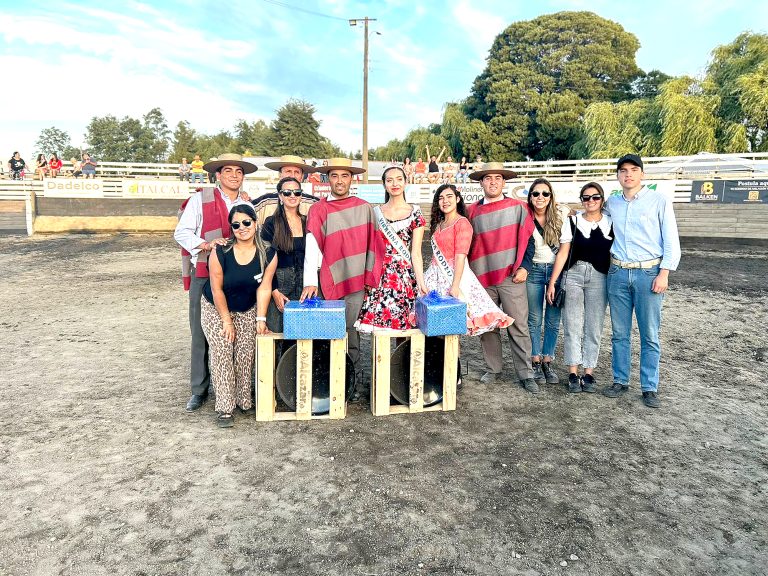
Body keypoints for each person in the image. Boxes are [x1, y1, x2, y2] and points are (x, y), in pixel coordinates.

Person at [174, 153, 257, 412]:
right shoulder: (200, 199)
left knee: (240, 334)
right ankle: (199, 389)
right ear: (218, 175)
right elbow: (181, 232)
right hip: (205, 273)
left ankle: (239, 390)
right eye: (228, 170)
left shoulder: (248, 203)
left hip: (239, 276)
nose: (234, 175)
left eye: (238, 171)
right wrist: (207, 245)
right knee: (201, 334)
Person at [300, 157, 383, 399]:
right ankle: (329, 382)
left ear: (352, 179)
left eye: (344, 176)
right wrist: (310, 282)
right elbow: (312, 246)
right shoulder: (319, 210)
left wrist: (370, 277)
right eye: (334, 176)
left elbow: (374, 245)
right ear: (328, 179)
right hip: (330, 279)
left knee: (351, 330)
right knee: (329, 330)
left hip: (356, 279)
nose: (339, 181)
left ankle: (353, 381)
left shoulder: (365, 208)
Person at [603, 154, 680, 408]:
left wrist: (665, 272)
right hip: (618, 273)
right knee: (619, 333)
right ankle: (620, 380)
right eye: (623, 170)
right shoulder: (611, 204)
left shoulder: (658, 201)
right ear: (618, 175)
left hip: (648, 274)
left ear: (642, 174)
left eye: (634, 170)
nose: (628, 174)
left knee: (649, 334)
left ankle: (649, 386)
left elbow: (671, 240)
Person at [466, 162, 538, 393]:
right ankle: (493, 368)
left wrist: (525, 266)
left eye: (498, 178)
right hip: (481, 277)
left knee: (518, 324)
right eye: (488, 178)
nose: (493, 182)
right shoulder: (471, 211)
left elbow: (530, 241)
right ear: (481, 182)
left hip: (511, 276)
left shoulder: (518, 208)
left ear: (504, 182)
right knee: (488, 326)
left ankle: (526, 373)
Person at [201, 203, 274, 428]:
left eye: (246, 222)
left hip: (248, 307)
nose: (241, 228)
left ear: (255, 222)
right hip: (217, 307)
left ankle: (244, 399)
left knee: (245, 353)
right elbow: (216, 288)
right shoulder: (220, 251)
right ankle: (225, 407)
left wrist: (261, 319)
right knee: (222, 350)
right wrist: (226, 320)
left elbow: (264, 287)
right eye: (235, 225)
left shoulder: (268, 252)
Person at [546, 182, 613, 394]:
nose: (590, 201)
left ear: (601, 200)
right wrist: (553, 281)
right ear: (581, 200)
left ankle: (589, 372)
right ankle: (573, 372)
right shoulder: (572, 221)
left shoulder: (611, 222)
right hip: (573, 275)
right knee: (572, 324)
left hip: (599, 277)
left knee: (594, 325)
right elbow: (563, 252)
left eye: (595, 197)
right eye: (586, 197)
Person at [423, 184, 513, 335]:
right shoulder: (439, 224)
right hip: (434, 276)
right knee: (435, 325)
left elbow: (460, 256)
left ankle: (453, 359)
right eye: (441, 198)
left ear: (457, 199)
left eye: (449, 196)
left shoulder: (462, 223)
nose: (445, 201)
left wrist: (455, 285)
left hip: (452, 276)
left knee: (451, 325)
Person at [356, 166, 426, 332]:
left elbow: (416, 253)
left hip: (403, 276)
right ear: (384, 185)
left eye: (399, 179)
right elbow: (369, 248)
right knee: (378, 328)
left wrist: (421, 283)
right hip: (379, 274)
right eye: (390, 180)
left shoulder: (415, 212)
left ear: (405, 182)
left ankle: (400, 359)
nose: (395, 183)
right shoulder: (375, 213)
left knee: (403, 326)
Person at [520, 177, 572, 386]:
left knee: (552, 319)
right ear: (530, 196)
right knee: (533, 319)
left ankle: (547, 359)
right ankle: (535, 359)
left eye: (545, 193)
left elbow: (563, 251)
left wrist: (553, 281)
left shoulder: (561, 216)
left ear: (551, 197)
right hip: (533, 269)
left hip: (555, 270)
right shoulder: (524, 216)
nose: (540, 197)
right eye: (536, 193)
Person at [261, 177, 307, 337]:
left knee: (302, 336)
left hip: (303, 290)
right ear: (280, 196)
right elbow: (263, 260)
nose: (292, 196)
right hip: (280, 287)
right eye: (287, 192)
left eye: (297, 192)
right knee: (277, 335)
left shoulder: (307, 222)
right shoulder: (271, 223)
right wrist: (274, 291)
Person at [253, 155, 319, 225]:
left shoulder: (314, 204)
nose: (292, 176)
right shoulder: (263, 203)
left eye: (297, 172)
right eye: (288, 171)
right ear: (280, 175)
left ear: (302, 176)